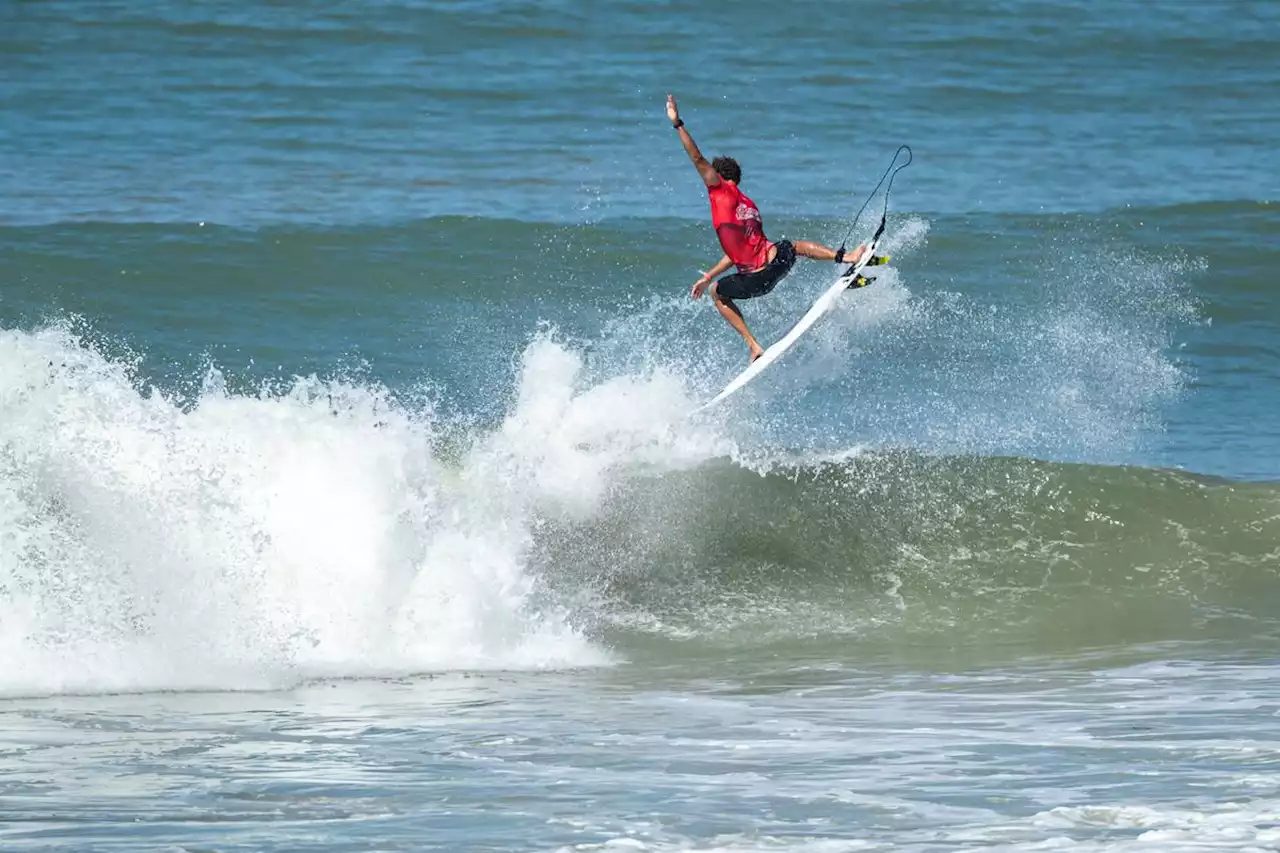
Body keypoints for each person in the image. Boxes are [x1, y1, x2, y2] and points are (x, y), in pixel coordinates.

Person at [666, 94, 875, 362]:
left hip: (756, 279)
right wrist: (710, 273)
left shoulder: (718, 190)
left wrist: (677, 124)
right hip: (779, 263)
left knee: (716, 293)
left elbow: (697, 158)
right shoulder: (748, 205)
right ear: (738, 179)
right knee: (795, 246)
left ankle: (753, 345)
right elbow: (737, 251)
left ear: (719, 176)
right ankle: (846, 257)